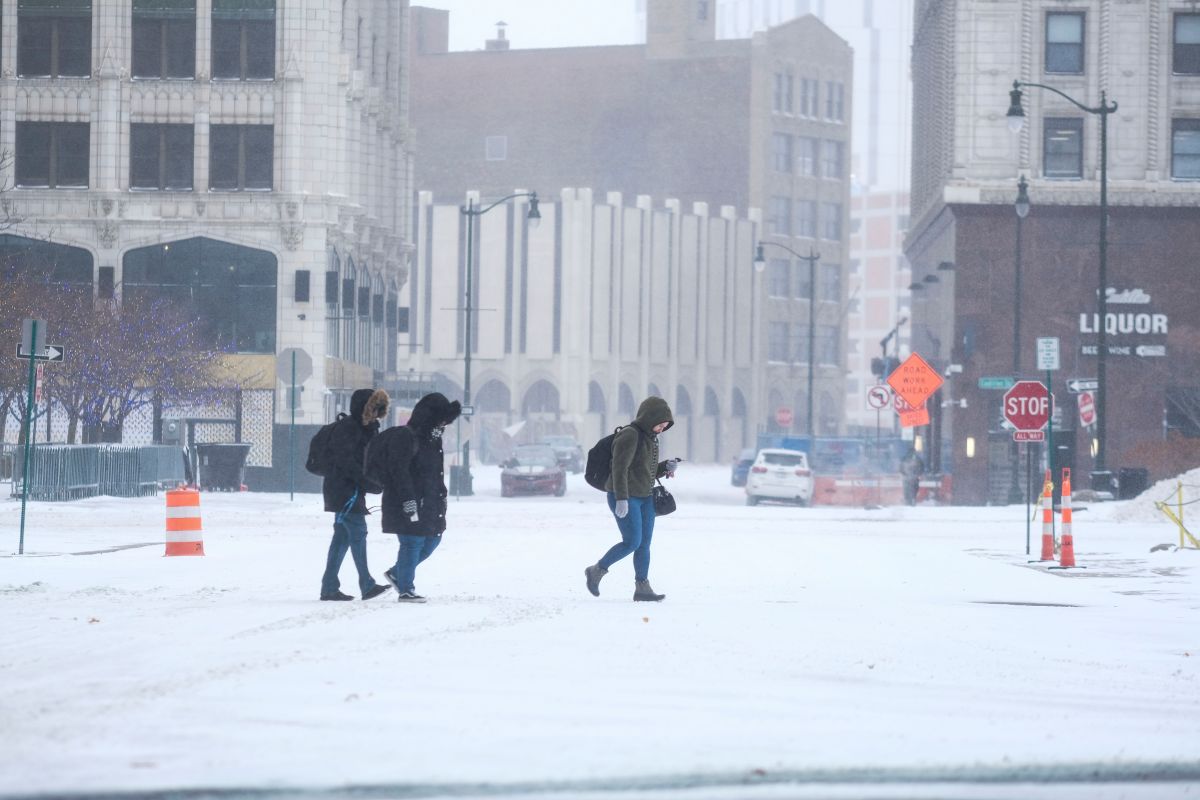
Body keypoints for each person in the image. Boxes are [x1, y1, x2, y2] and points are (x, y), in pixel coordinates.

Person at [584, 396, 680, 602]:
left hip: (645, 498)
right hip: (625, 497)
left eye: (665, 426)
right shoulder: (630, 435)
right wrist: (621, 498)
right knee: (632, 542)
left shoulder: (650, 438)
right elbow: (619, 469)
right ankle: (596, 570)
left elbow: (646, 471)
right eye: (660, 424)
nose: (662, 428)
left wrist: (666, 467)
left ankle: (642, 587)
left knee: (644, 544)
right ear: (649, 418)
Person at [371, 392, 461, 603]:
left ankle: (397, 574)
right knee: (412, 542)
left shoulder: (433, 440)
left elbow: (435, 473)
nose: (443, 425)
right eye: (441, 420)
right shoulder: (407, 438)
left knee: (433, 539)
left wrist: (441, 496)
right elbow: (399, 472)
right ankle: (406, 589)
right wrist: (408, 500)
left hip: (429, 501)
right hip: (406, 501)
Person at [319, 388, 392, 601]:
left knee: (342, 538)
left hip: (345, 489)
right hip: (345, 490)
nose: (377, 413)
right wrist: (369, 483)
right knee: (358, 533)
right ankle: (367, 584)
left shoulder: (364, 428)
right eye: (374, 408)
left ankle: (329, 587)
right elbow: (347, 463)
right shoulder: (349, 429)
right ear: (365, 407)